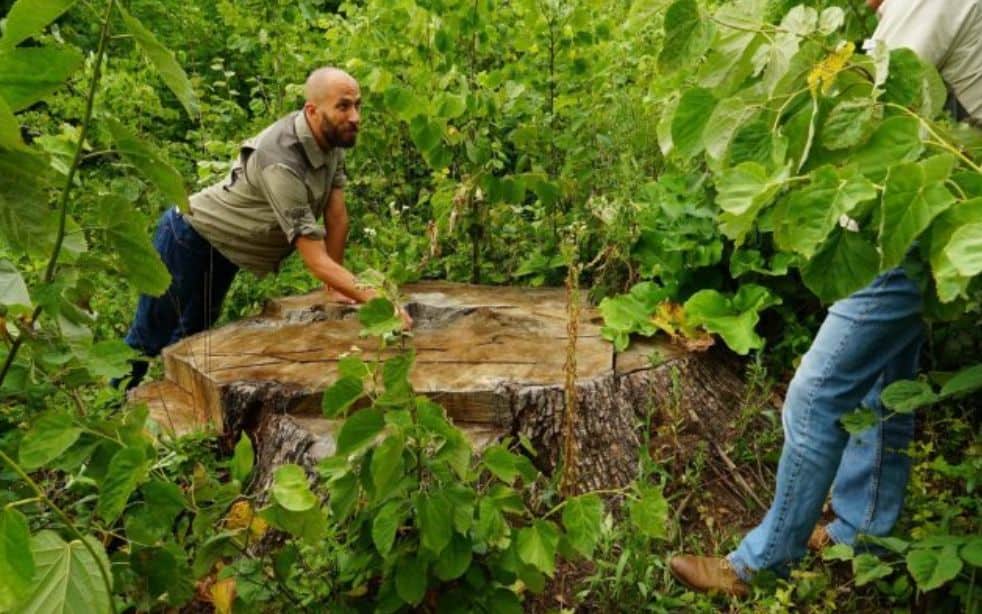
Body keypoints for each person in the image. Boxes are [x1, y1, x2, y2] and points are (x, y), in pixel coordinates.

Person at [668, 0, 982, 597]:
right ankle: (864, 531)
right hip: (941, 206)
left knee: (817, 392)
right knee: (884, 376)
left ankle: (760, 563)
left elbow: (875, 108)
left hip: (932, 219)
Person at [117, 67, 413, 389]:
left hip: (227, 248)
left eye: (357, 105)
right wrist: (377, 300)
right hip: (188, 237)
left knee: (193, 339)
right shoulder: (280, 160)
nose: (355, 116)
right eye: (343, 106)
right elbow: (314, 258)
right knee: (148, 338)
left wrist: (338, 286)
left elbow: (337, 216)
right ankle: (113, 412)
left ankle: (175, 418)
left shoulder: (331, 141)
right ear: (312, 110)